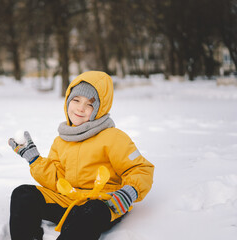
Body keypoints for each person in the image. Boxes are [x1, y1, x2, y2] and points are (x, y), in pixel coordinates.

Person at [8, 71, 154, 240]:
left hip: (104, 203)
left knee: (91, 211)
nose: (80, 108)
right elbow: (58, 180)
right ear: (68, 101)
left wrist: (129, 192)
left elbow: (141, 169)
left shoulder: (113, 137)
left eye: (90, 104)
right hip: (68, 200)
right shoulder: (61, 140)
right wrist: (34, 159)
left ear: (100, 109)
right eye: (76, 100)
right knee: (23, 194)